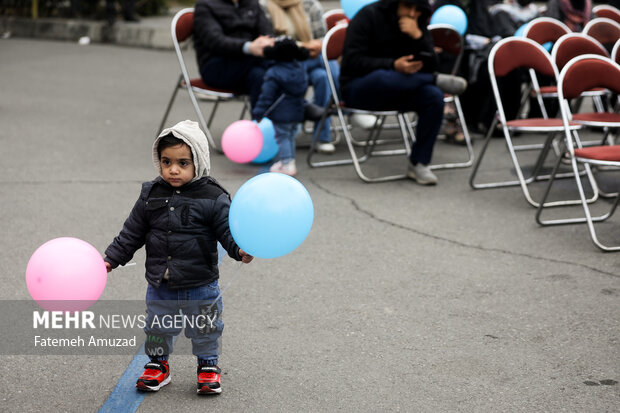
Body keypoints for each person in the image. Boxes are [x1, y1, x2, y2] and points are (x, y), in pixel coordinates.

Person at [103, 120, 253, 394]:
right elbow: (132, 232)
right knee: (157, 326)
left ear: (198, 161)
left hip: (201, 281)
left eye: (183, 163)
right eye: (166, 161)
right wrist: (111, 258)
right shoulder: (151, 194)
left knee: (206, 326)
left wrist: (239, 249)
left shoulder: (213, 196)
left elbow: (227, 231)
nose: (173, 169)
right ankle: (158, 365)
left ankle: (208, 366)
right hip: (162, 282)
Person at [340, 0, 467, 185]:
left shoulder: (417, 21)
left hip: (403, 87)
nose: (412, 13)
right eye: (408, 6)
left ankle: (419, 163)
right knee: (385, 77)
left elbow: (431, 64)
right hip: (361, 89)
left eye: (417, 9)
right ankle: (436, 80)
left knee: (433, 96)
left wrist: (418, 37)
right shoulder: (368, 16)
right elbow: (351, 61)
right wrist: (392, 65)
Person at [260, 0, 341, 153]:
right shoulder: (263, 6)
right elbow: (268, 43)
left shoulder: (310, 4)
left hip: (312, 61)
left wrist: (317, 44)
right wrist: (302, 47)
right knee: (329, 64)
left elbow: (324, 39)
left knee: (323, 76)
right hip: (282, 65)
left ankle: (321, 137)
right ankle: (344, 103)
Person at [193, 0, 275, 110]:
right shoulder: (205, 5)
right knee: (280, 68)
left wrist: (265, 43)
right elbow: (216, 41)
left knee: (261, 76)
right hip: (216, 66)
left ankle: (263, 124)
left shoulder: (252, 3)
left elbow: (267, 32)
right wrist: (249, 47)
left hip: (251, 63)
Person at [253, 37, 310, 176]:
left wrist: (258, 113)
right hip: (297, 110)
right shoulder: (300, 69)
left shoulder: (273, 72)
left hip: (281, 112)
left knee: (282, 137)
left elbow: (266, 96)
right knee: (289, 136)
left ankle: (287, 164)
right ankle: (289, 161)